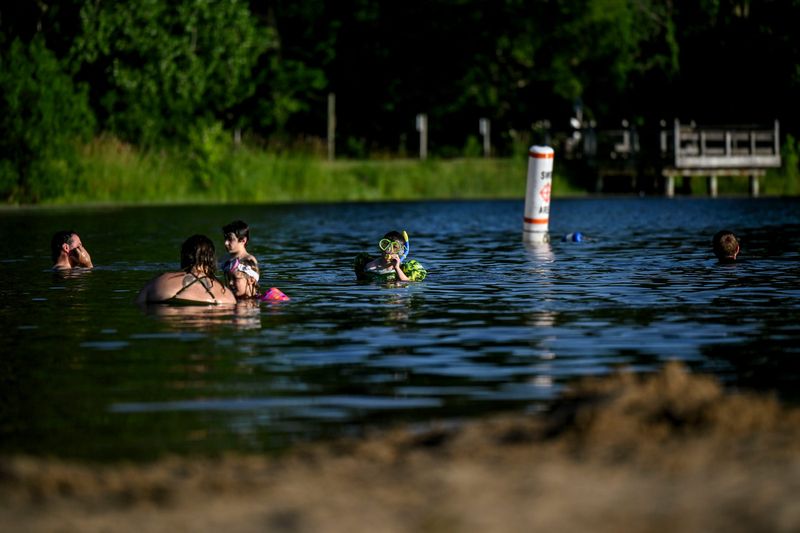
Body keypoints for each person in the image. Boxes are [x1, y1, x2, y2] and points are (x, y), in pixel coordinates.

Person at [136, 234, 235, 304]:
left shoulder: (158, 282)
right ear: (212, 259)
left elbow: (138, 303)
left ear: (184, 257)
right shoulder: (227, 296)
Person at [354, 230, 427, 282]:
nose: (388, 250)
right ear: (381, 246)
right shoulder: (369, 266)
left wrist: (397, 268)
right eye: (385, 245)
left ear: (401, 251)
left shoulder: (405, 269)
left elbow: (408, 282)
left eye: (395, 247)